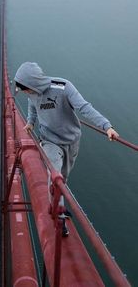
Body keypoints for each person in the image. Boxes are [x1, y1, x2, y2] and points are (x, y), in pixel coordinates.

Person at [14, 62, 119, 236]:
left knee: (64, 176)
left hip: (71, 140)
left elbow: (84, 107)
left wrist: (106, 126)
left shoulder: (63, 87)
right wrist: (31, 122)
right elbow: (33, 107)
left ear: (34, 83)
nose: (25, 92)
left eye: (26, 89)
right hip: (49, 140)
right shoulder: (31, 93)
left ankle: (59, 204)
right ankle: (58, 214)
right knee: (56, 176)